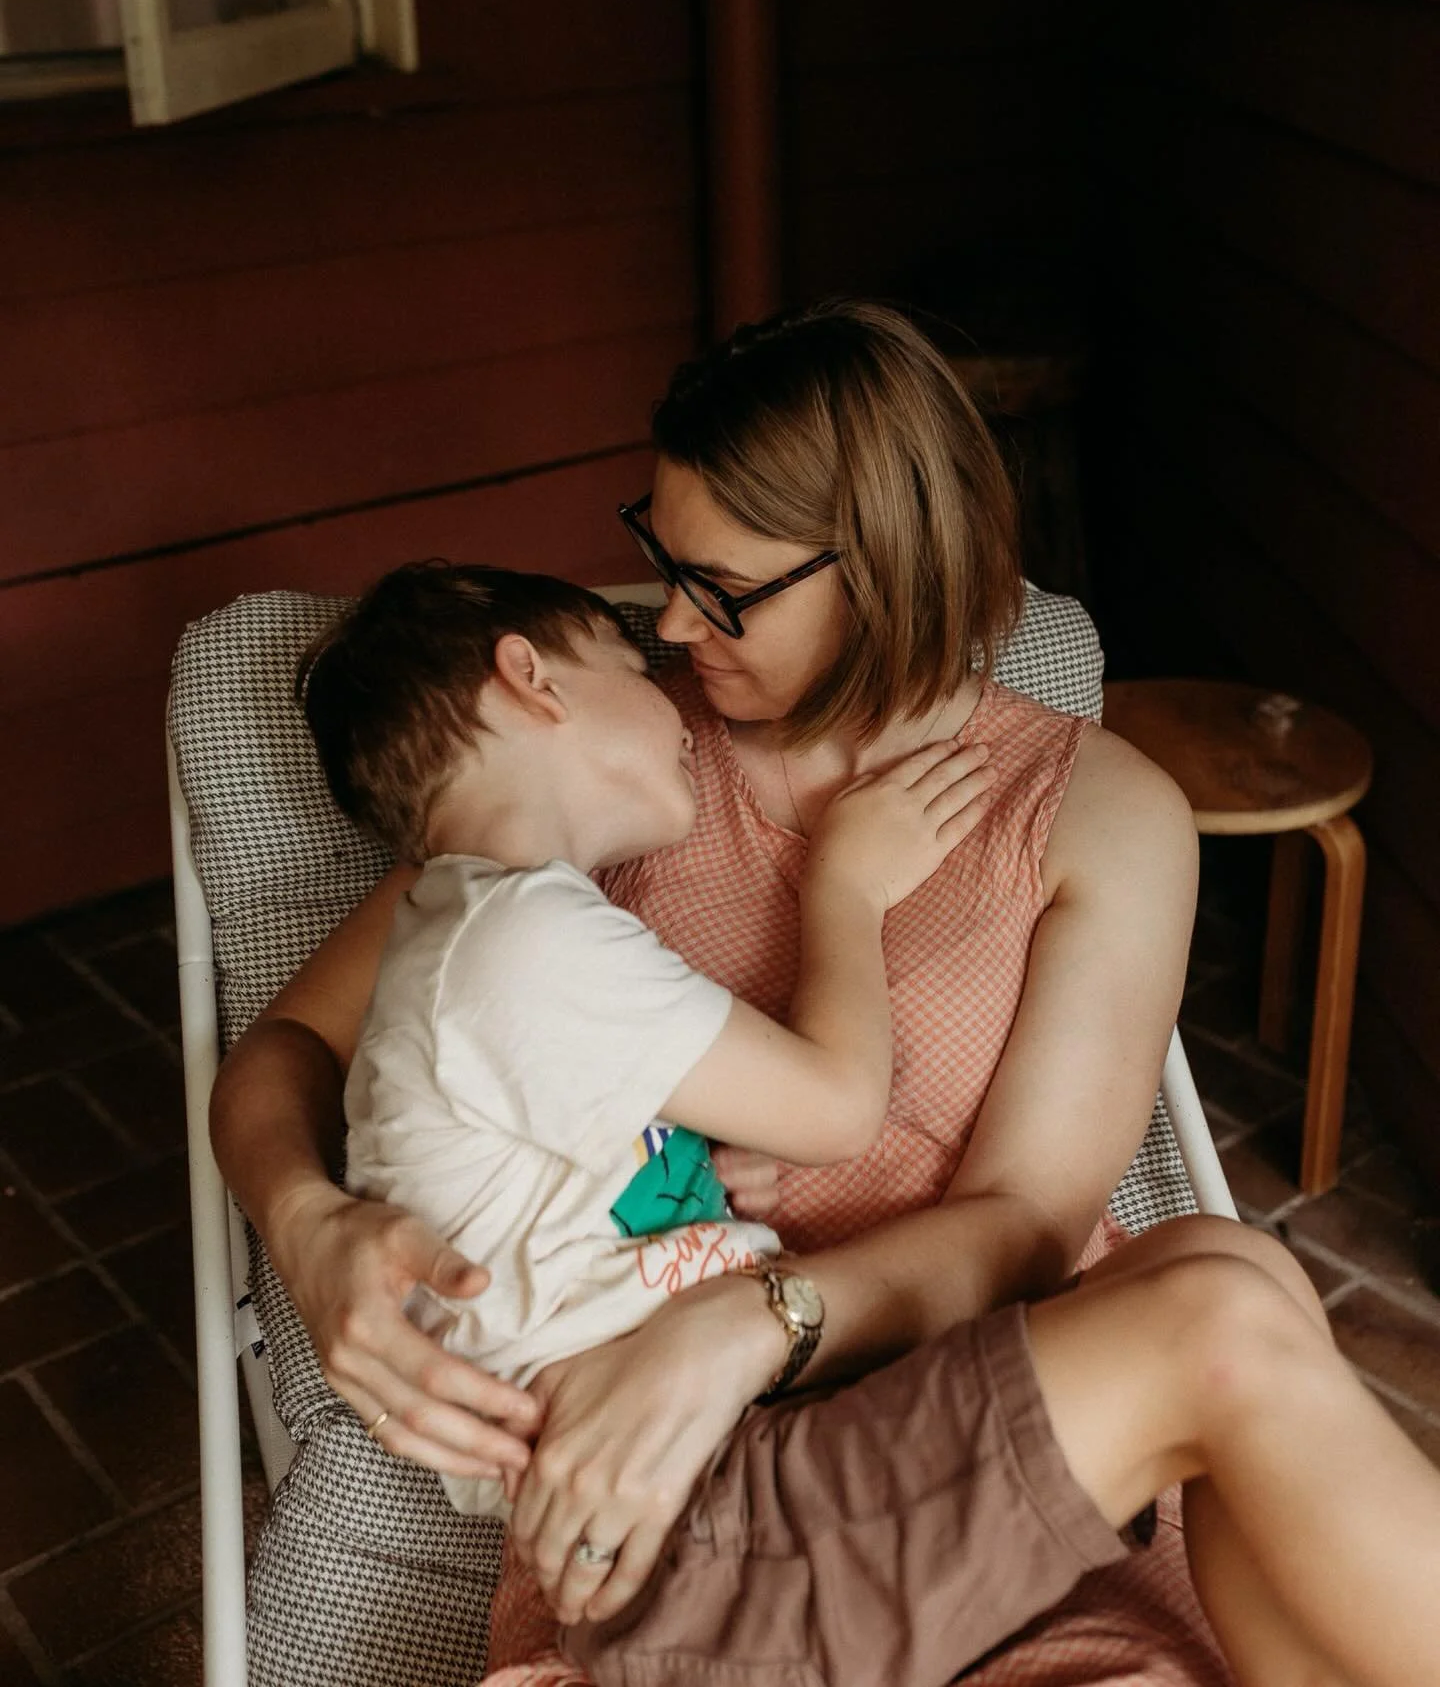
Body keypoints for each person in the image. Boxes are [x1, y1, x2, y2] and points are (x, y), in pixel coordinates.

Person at [212, 302, 1440, 1687]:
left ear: (889, 565)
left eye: (723, 587)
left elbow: (1030, 1225)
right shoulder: (619, 763)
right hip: (690, 1505)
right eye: (658, 559)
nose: (669, 622)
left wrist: (748, 1327)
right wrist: (307, 1224)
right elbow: (288, 1050)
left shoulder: (1095, 809)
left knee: (1214, 1298)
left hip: (1032, 1431)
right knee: (1226, 1295)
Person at [296, 560, 992, 1528]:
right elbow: (837, 1111)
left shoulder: (475, 932)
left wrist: (689, 1166)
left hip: (675, 1434)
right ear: (533, 678)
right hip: (678, 1463)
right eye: (634, 665)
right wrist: (847, 887)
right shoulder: (521, 935)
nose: (678, 712)